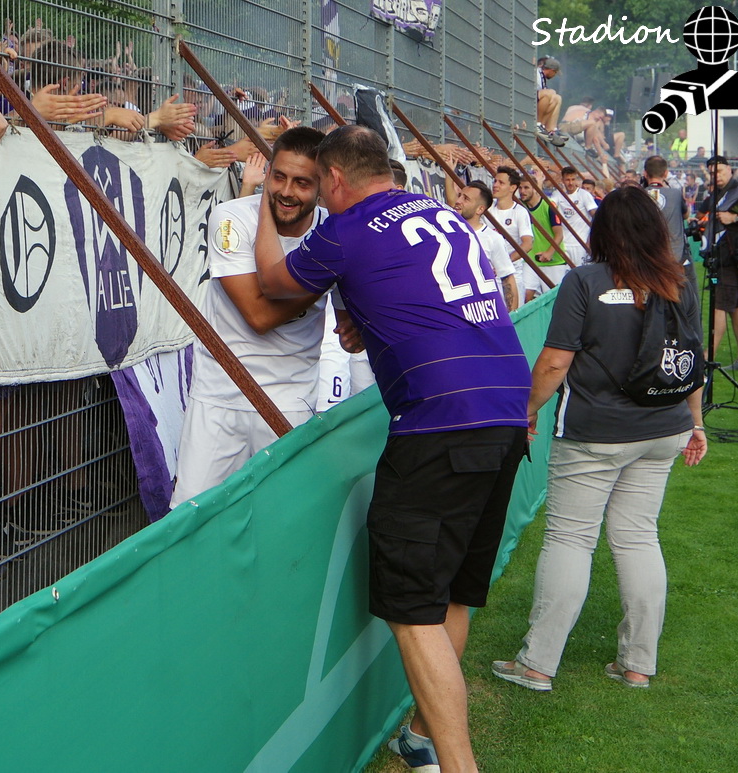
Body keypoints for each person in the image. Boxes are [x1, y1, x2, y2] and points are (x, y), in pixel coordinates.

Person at [254, 125, 530, 773]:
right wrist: (369, 316)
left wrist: (259, 199)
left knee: (411, 611)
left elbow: (272, 283)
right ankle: (422, 735)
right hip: (505, 409)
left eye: (316, 184)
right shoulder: (439, 211)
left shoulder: (346, 228)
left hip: (439, 422)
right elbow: (429, 298)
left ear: (336, 179)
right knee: (452, 593)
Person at [491, 184, 706, 693]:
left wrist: (526, 410)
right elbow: (691, 361)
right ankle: (638, 664)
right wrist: (696, 423)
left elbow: (554, 362)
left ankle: (538, 663)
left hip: (596, 433)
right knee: (638, 537)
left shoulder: (585, 281)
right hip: (664, 428)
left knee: (571, 538)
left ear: (602, 230)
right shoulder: (678, 282)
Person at [169, 127, 330, 506]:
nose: (287, 191)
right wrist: (325, 276)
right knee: (192, 515)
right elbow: (258, 315)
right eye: (279, 177)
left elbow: (351, 322)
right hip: (220, 394)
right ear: (267, 172)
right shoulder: (231, 218)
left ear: (322, 185)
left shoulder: (331, 230)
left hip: (290, 398)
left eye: (302, 183)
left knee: (281, 513)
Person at [699, 155, 738, 370]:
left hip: (731, 256)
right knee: (736, 307)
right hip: (723, 256)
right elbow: (703, 212)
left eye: (720, 171)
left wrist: (735, 218)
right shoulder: (716, 194)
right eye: (712, 173)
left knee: (720, 306)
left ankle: (707, 357)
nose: (716, 176)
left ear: (729, 170)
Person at [453, 181, 519, 311]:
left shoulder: (492, 238)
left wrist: (512, 315)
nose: (458, 201)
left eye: (466, 199)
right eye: (459, 195)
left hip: (482, 311)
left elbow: (507, 278)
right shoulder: (445, 232)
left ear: (480, 209)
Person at [643, 155, 693, 292]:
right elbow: (686, 215)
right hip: (675, 255)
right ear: (665, 173)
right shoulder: (675, 194)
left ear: (645, 174)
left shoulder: (639, 194)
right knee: (682, 294)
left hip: (649, 256)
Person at [518, 175, 566, 301]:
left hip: (553, 262)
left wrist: (549, 253)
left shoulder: (549, 205)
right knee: (525, 295)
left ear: (535, 188)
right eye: (520, 188)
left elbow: (559, 234)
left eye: (526, 188)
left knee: (554, 300)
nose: (522, 191)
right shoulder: (520, 207)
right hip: (531, 260)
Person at [490, 165, 534, 301]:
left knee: (514, 313)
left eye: (501, 182)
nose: (495, 185)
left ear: (512, 187)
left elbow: (527, 244)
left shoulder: (520, 212)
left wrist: (503, 262)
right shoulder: (487, 208)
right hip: (489, 275)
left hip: (511, 274)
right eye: (495, 181)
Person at [550, 166, 597, 265]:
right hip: (563, 244)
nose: (570, 183)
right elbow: (549, 208)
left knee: (580, 272)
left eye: (573, 179)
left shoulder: (584, 195)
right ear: (562, 180)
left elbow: (596, 217)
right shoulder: (557, 194)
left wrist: (590, 240)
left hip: (580, 244)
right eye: (567, 180)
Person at [535, 56, 562, 133]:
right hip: (528, 100)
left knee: (557, 98)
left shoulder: (542, 77)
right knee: (549, 93)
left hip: (536, 99)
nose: (554, 75)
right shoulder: (537, 74)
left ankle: (549, 128)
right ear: (551, 70)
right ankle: (537, 124)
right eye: (555, 73)